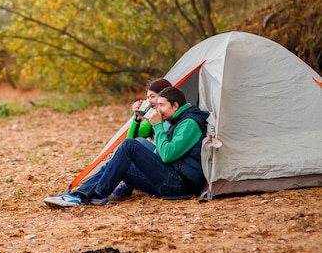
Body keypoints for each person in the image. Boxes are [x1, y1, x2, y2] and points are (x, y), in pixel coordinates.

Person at [44, 87, 210, 208]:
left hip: (179, 187)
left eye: (162, 105)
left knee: (129, 145)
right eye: (156, 105)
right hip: (170, 181)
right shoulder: (177, 119)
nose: (157, 110)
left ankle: (97, 194)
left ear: (175, 106)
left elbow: (167, 155)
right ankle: (79, 195)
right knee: (118, 162)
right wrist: (140, 118)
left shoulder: (189, 124)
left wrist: (158, 126)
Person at [110, 77, 172, 200]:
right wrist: (137, 117)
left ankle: (128, 185)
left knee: (137, 144)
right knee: (131, 145)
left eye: (152, 96)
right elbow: (130, 139)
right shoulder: (152, 117)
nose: (149, 101)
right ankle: (127, 185)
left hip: (165, 166)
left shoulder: (171, 118)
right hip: (156, 159)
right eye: (147, 97)